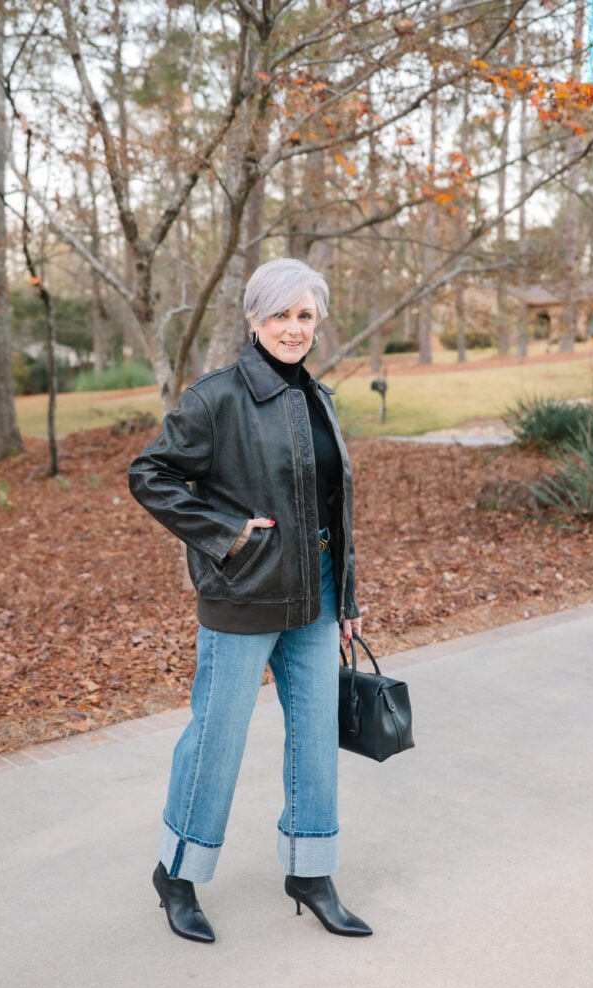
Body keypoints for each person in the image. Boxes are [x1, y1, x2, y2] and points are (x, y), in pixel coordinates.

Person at [128, 257, 371, 943]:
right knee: (217, 739)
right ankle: (177, 874)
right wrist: (228, 534)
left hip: (317, 591)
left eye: (304, 315)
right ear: (254, 317)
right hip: (243, 591)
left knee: (315, 736)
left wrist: (348, 595)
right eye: (279, 314)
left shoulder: (316, 396)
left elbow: (335, 504)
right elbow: (150, 473)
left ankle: (310, 873)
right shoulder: (216, 399)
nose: (293, 328)